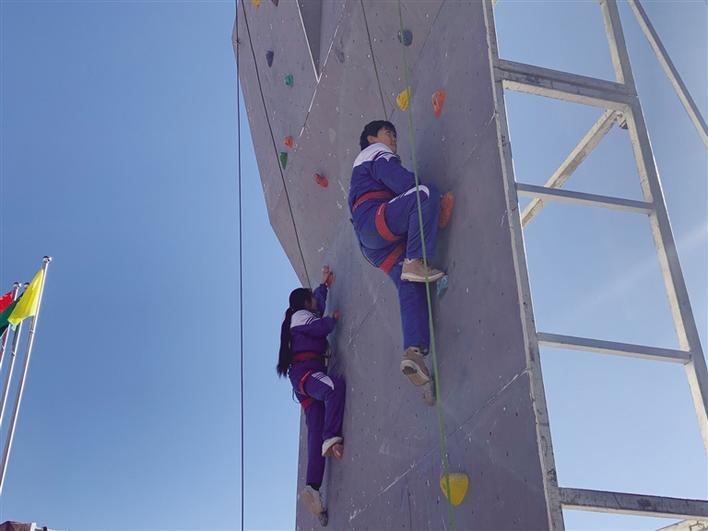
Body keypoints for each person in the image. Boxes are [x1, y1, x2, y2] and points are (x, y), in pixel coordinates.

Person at [349, 120, 449, 393]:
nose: (393, 138)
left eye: (394, 134)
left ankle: (414, 353)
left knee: (409, 283)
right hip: (375, 221)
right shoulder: (375, 153)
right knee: (425, 194)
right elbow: (402, 182)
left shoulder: (360, 171)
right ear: (372, 139)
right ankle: (415, 259)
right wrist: (433, 206)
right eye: (388, 133)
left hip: (373, 243)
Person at [277, 266, 345, 520]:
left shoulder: (299, 316)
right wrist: (332, 320)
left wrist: (324, 285)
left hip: (303, 379)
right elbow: (319, 326)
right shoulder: (300, 316)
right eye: (311, 299)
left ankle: (313, 488)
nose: (315, 303)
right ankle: (332, 438)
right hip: (306, 373)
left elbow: (317, 305)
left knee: (314, 430)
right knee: (334, 388)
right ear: (305, 303)